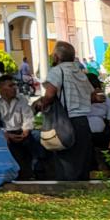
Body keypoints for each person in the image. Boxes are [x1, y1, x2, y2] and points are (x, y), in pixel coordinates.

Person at [34, 42, 95, 180]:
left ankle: (68, 190)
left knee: (66, 161)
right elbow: (91, 96)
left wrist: (39, 104)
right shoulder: (80, 72)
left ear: (56, 56)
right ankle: (82, 189)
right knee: (81, 160)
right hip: (83, 121)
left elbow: (50, 95)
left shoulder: (57, 71)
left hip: (66, 121)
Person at [0, 74, 36, 179]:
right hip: (2, 134)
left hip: (20, 132)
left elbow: (28, 116)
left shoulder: (21, 99)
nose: (15, 88)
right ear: (1, 88)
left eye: (15, 85)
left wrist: (26, 130)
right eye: (11, 86)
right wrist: (6, 134)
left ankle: (30, 174)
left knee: (32, 143)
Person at [84, 70, 110, 163]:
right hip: (84, 133)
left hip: (101, 133)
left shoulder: (105, 99)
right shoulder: (81, 98)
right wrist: (92, 99)